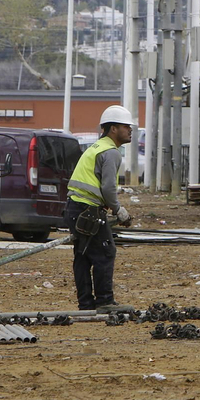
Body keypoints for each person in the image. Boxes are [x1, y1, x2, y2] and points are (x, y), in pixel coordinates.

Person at [64, 105, 135, 311]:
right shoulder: (111, 152)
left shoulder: (96, 147)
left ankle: (85, 303)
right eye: (126, 126)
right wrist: (118, 209)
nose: (130, 130)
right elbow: (108, 187)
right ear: (113, 129)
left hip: (75, 208)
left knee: (83, 255)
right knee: (105, 252)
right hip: (88, 210)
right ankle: (104, 301)